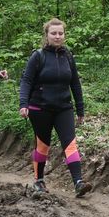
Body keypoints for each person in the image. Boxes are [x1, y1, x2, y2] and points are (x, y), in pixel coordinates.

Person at [19, 18, 90, 197]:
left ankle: (78, 182)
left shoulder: (68, 56)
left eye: (60, 33)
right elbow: (26, 81)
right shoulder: (38, 56)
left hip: (64, 107)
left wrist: (80, 109)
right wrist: (23, 104)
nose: (57, 36)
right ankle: (39, 180)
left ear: (64, 35)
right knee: (43, 146)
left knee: (70, 143)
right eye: (53, 33)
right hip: (39, 108)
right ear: (47, 35)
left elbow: (75, 83)